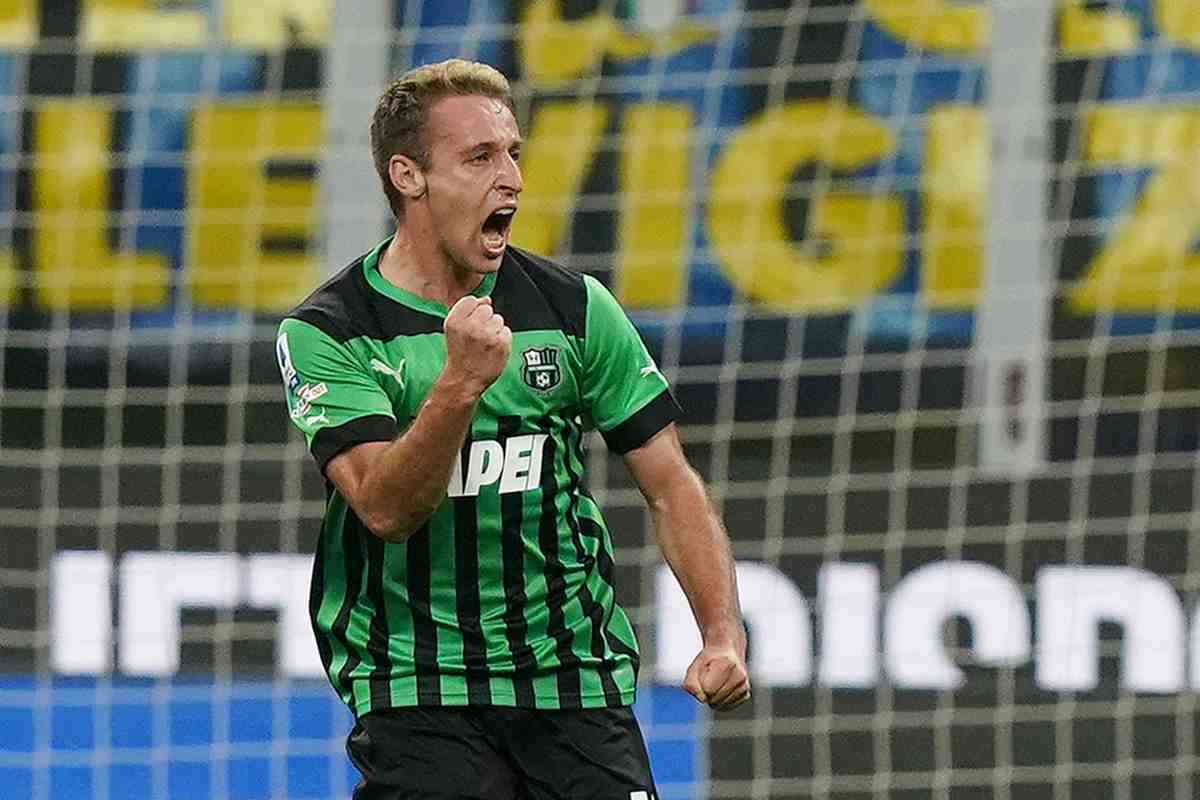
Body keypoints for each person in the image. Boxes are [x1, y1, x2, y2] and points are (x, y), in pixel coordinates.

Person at [276, 58, 749, 799]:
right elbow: (386, 508)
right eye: (480, 157)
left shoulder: (574, 307)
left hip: (574, 677)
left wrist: (721, 633)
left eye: (514, 153)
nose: (513, 179)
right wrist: (460, 382)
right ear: (408, 176)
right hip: (419, 684)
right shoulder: (331, 332)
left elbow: (670, 484)